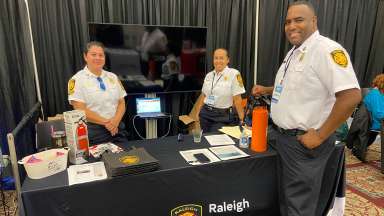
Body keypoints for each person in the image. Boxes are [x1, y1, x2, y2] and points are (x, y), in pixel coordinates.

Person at [252, 1, 361, 215]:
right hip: (281, 137)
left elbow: (350, 96)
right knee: (284, 201)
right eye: (287, 22)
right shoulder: (295, 52)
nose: (291, 26)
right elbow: (294, 87)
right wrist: (266, 89)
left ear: (314, 21)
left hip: (302, 144)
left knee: (298, 207)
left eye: (298, 20)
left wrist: (320, 136)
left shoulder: (326, 50)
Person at [68, 41, 128, 145]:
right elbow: (79, 109)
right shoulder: (76, 80)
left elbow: (121, 102)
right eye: (93, 55)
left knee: (125, 159)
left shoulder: (112, 77)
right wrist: (107, 123)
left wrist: (115, 122)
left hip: (117, 129)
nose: (98, 58)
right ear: (85, 56)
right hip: (94, 133)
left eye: (101, 55)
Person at [194, 48, 245, 133]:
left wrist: (242, 119)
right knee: (206, 139)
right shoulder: (209, 76)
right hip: (205, 114)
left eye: (221, 58)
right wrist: (197, 113)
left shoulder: (235, 74)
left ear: (228, 60)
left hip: (222, 116)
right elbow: (203, 95)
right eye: (216, 58)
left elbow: (237, 99)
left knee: (216, 140)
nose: (218, 61)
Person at [363, 73, 384, 146]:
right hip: (376, 123)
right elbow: (378, 114)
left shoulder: (380, 94)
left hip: (379, 121)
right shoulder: (375, 94)